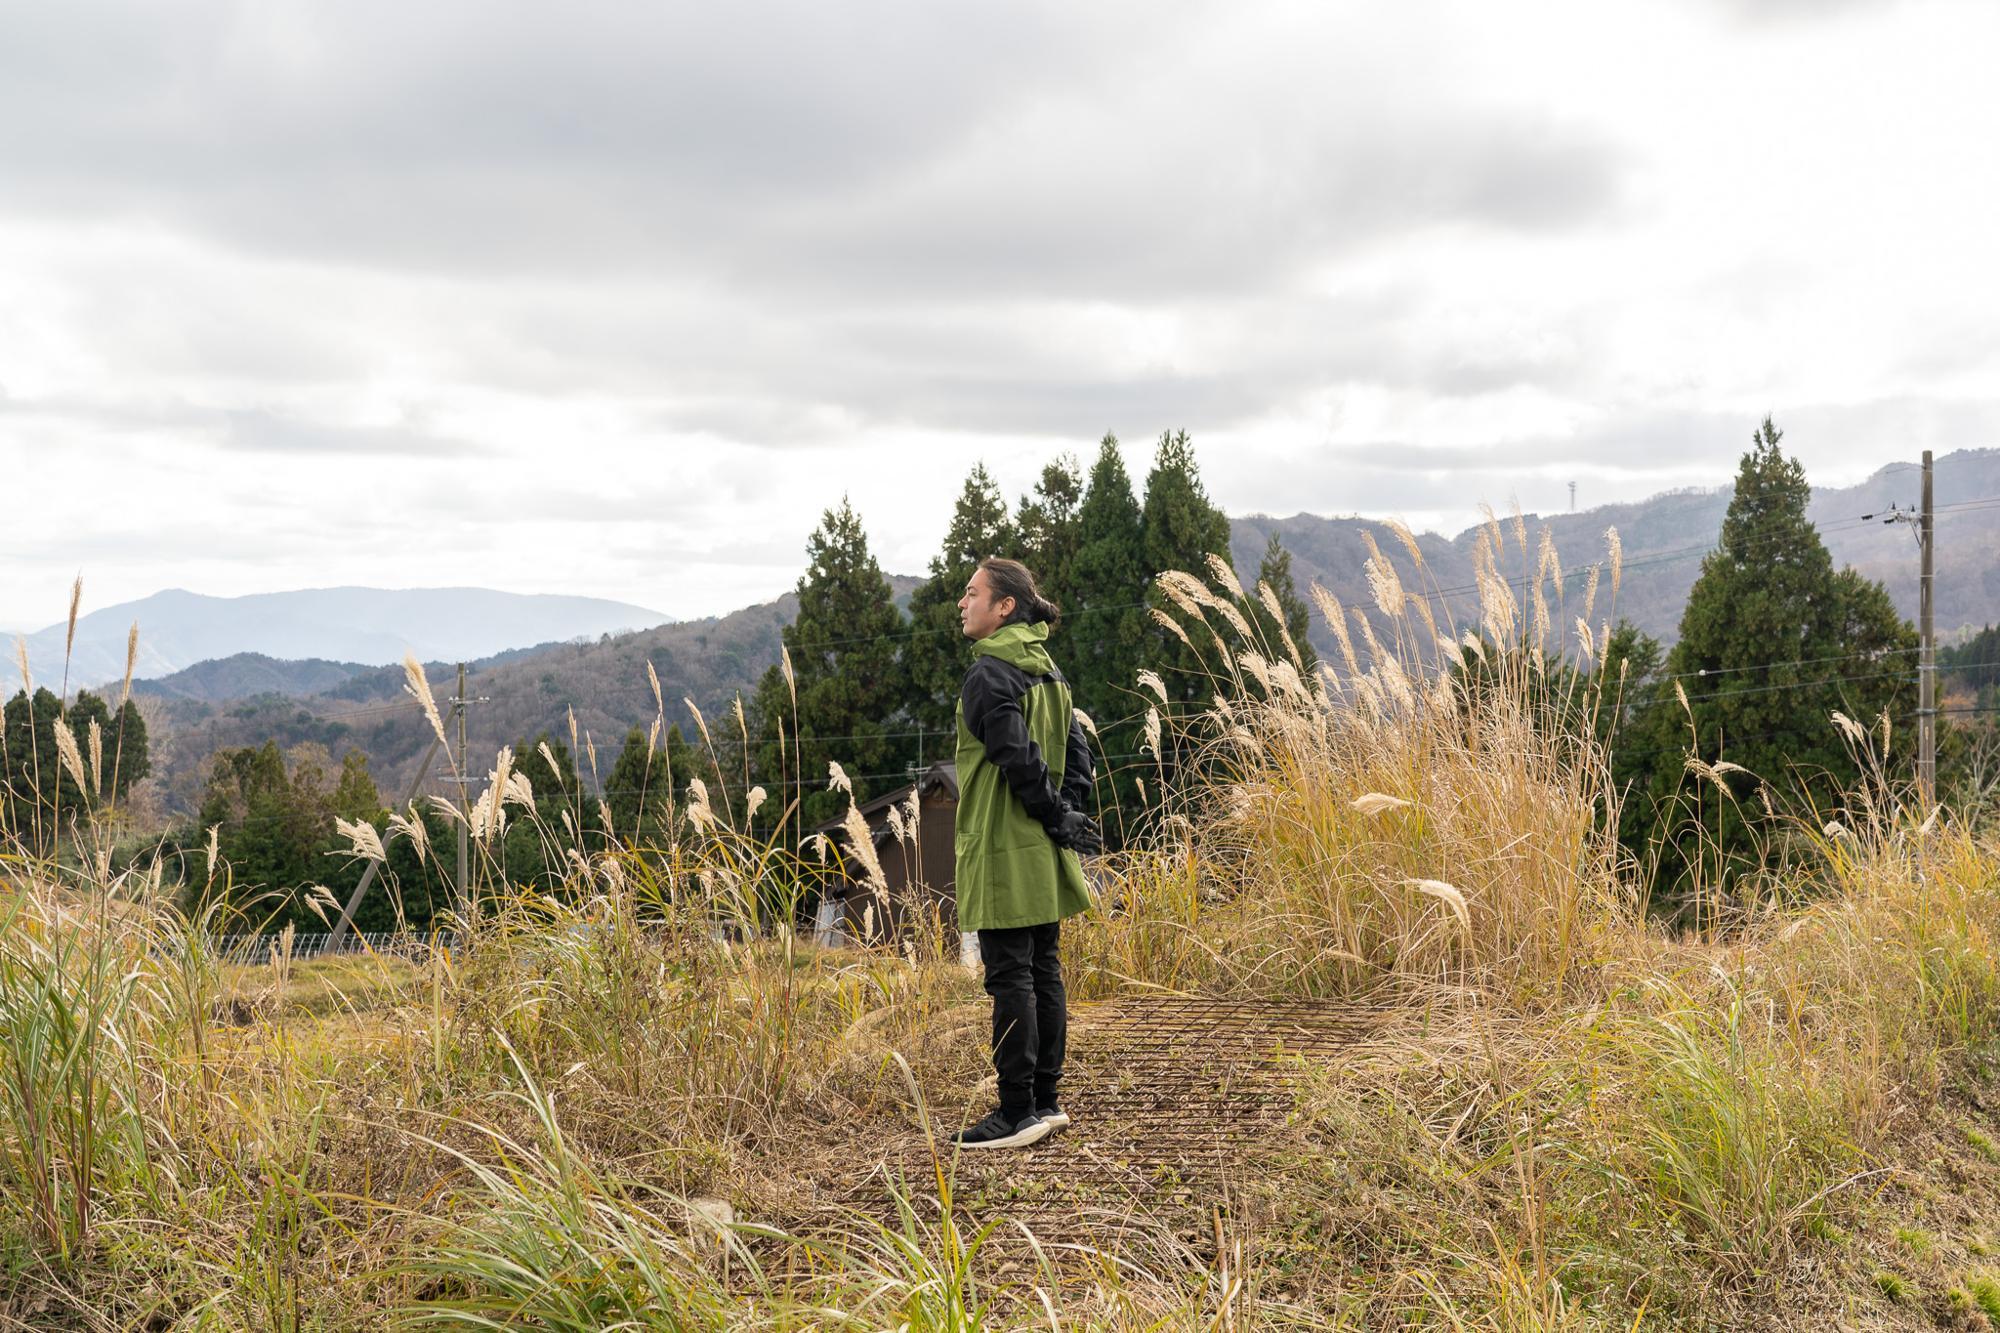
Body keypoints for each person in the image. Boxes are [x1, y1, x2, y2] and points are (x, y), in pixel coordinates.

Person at [948, 556, 1103, 1150]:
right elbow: (1077, 755)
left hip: (1001, 847)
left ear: (1004, 605)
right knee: (1043, 970)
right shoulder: (1049, 671)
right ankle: (1046, 1100)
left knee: (1011, 975)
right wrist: (1066, 817)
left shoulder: (991, 673)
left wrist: (1054, 812)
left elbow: (1017, 760)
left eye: (972, 593)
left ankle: (1016, 1112)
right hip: (1043, 846)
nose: (962, 603)